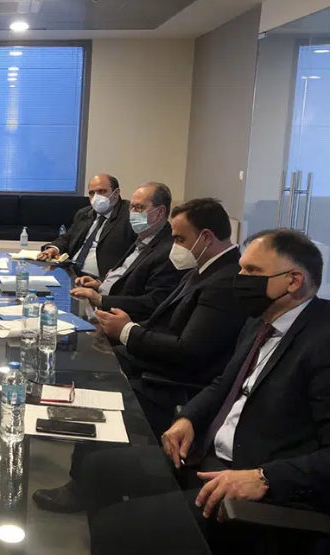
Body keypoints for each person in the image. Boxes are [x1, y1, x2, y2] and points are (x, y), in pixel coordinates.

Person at [82, 229, 329, 555]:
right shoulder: (260, 322)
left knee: (115, 527)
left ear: (294, 280)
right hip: (204, 457)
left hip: (257, 491)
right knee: (98, 468)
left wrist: (264, 477)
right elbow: (224, 383)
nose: (240, 279)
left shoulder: (322, 342)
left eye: (252, 271)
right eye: (241, 268)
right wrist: (188, 418)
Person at [95, 197, 249, 436]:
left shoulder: (224, 282)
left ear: (206, 237)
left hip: (168, 385)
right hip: (152, 363)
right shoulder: (203, 268)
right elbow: (164, 322)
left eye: (179, 239)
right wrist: (120, 327)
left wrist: (126, 331)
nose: (174, 246)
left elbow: (188, 351)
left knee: (92, 391)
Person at [70, 182, 186, 321]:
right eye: (132, 207)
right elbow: (127, 277)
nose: (133, 213)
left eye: (140, 208)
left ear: (160, 212)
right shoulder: (143, 238)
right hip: (103, 304)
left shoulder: (168, 250)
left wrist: (101, 299)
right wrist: (100, 283)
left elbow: (154, 302)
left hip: (120, 320)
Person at [37, 174, 135, 279]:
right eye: (92, 193)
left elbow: (135, 257)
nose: (96, 197)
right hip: (71, 272)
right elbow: (68, 238)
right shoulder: (84, 213)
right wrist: (54, 249)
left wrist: (103, 282)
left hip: (101, 280)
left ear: (116, 193)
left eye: (102, 191)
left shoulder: (129, 216)